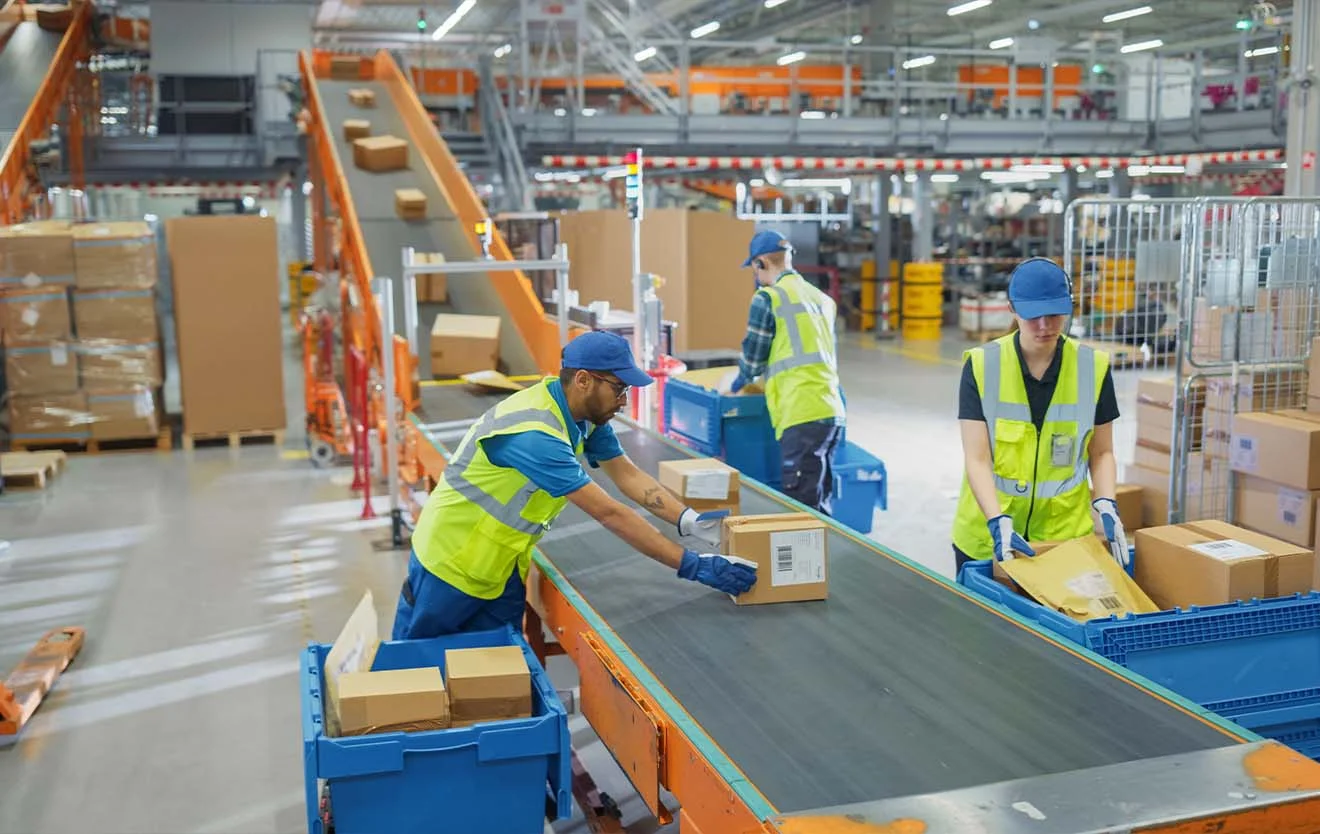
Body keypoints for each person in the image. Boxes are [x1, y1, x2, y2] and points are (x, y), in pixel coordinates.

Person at [393, 330, 758, 640]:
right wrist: (691, 565)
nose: (624, 399)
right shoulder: (535, 434)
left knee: (497, 677)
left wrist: (689, 520)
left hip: (502, 565)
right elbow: (609, 513)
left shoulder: (584, 416)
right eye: (619, 388)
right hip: (450, 566)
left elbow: (626, 474)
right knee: (419, 671)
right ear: (583, 380)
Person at [952, 257, 1129, 572]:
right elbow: (977, 458)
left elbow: (1101, 452)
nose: (1045, 325)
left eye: (1054, 314)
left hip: (1062, 540)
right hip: (986, 539)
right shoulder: (982, 366)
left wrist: (1106, 502)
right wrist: (997, 521)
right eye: (1034, 315)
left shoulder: (1092, 368)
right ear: (1013, 309)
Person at [726, 230, 846, 514]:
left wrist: (735, 384)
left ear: (762, 263)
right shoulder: (822, 299)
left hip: (801, 412)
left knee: (801, 509)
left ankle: (812, 559)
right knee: (819, 503)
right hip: (832, 411)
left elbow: (753, 361)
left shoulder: (768, 298)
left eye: (754, 268)